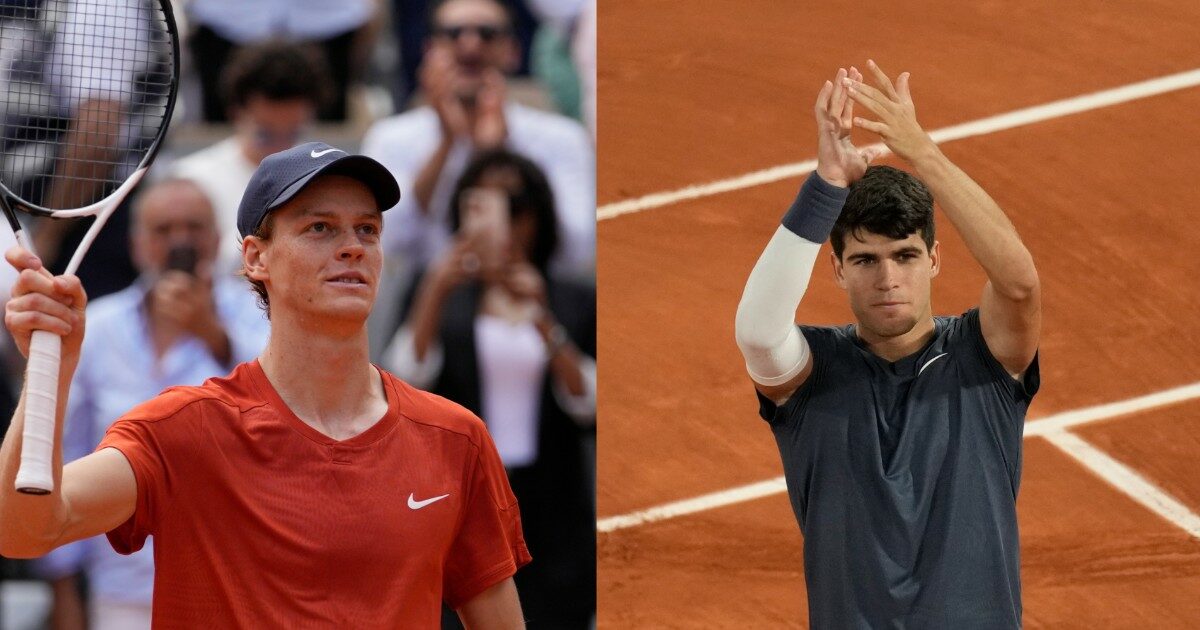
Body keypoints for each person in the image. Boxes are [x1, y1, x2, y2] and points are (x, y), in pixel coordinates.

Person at [0, 142, 530, 628]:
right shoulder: (181, 431)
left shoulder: (455, 438)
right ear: (255, 258)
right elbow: (23, 529)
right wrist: (54, 368)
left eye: (367, 229)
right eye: (320, 227)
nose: (352, 247)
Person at [734, 62, 1041, 628]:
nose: (888, 278)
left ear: (934, 259)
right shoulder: (812, 375)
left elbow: (1019, 284)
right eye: (865, 260)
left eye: (904, 255)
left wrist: (923, 152)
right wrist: (826, 184)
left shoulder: (985, 357)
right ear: (837, 270)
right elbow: (757, 331)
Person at [31, 178, 270, 629]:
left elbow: (283, 416)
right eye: (164, 229)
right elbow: (66, 451)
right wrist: (63, 590)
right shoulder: (97, 328)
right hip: (122, 588)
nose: (180, 240)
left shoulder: (260, 317)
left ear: (219, 240)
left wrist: (211, 333)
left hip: (237, 585)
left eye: (194, 227)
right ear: (138, 244)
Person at [385, 149, 595, 628]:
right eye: (481, 205)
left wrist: (543, 318)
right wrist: (436, 288)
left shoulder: (571, 298)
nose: (505, 224)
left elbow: (591, 406)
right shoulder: (435, 289)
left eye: (516, 207)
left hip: (549, 505)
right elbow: (401, 384)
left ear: (538, 216)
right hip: (454, 499)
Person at [362, 0, 594, 278]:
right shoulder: (390, 137)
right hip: (428, 304)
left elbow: (577, 247)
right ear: (428, 50)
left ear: (514, 51)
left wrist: (497, 157)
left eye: (487, 33)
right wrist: (446, 146)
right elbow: (386, 242)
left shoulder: (563, 136)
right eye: (453, 33)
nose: (470, 45)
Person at [171, 40, 332, 273]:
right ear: (236, 112)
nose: (280, 149)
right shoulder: (191, 180)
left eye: (293, 133)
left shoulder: (328, 180)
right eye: (265, 134)